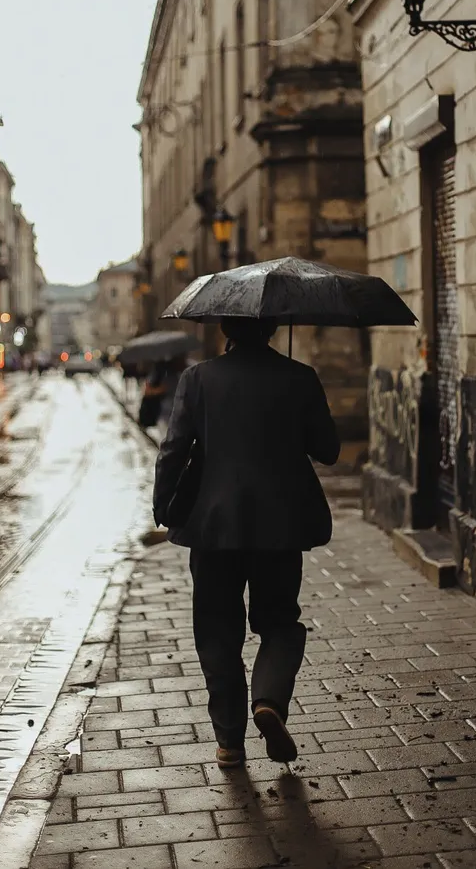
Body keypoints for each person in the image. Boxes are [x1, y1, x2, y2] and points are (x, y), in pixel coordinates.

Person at [151, 316, 340, 770]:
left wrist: (163, 507)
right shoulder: (299, 376)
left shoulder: (197, 378)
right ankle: (269, 701)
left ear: (224, 329)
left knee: (217, 629)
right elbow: (329, 449)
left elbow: (174, 448)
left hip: (213, 526)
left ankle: (229, 742)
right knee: (279, 622)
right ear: (273, 328)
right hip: (281, 523)